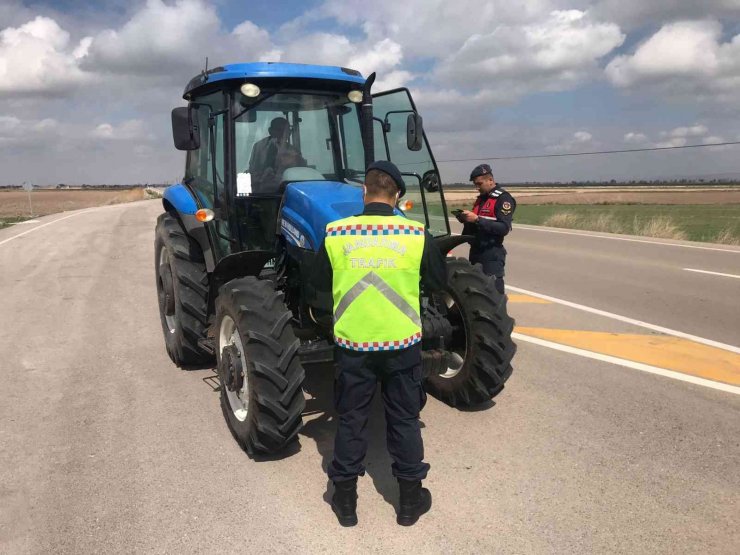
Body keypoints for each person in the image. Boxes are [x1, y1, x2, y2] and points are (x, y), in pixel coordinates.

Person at [312, 160, 447, 527]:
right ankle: (408, 503)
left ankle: (345, 503)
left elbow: (319, 284)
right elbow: (437, 282)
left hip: (353, 346)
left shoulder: (336, 233)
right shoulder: (417, 234)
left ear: (364, 192)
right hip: (401, 346)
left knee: (352, 420)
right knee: (404, 419)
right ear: (398, 195)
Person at [456, 163, 516, 295]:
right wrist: (466, 219)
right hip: (476, 251)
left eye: (479, 184)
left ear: (490, 180)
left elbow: (503, 228)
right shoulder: (482, 199)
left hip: (491, 254)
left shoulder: (503, 199)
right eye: (475, 185)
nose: (477, 187)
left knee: (493, 295)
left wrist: (477, 219)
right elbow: (480, 222)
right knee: (476, 292)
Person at [248, 117, 306, 193]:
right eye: (279, 130)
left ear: (290, 133)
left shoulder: (294, 151)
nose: (282, 134)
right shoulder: (259, 147)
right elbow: (253, 169)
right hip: (262, 192)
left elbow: (301, 172)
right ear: (270, 131)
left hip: (287, 189)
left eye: (286, 131)